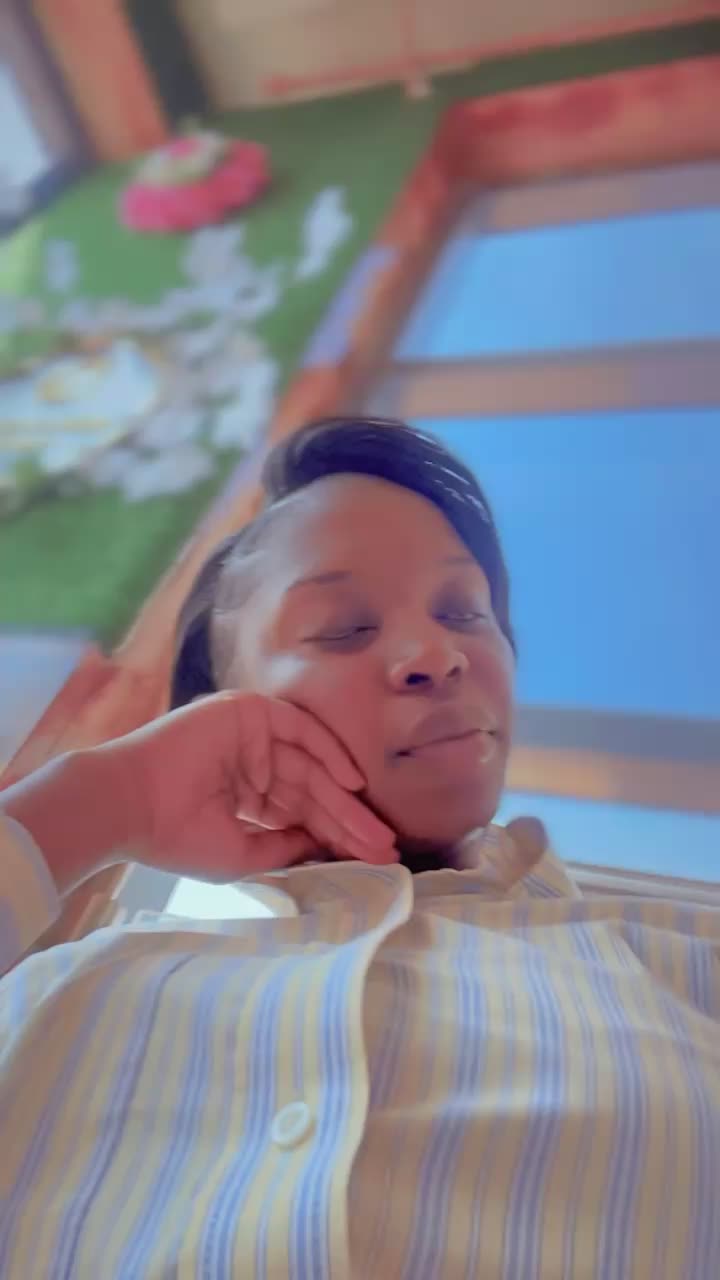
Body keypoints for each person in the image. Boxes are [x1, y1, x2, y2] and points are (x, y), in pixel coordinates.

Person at [0, 418, 718, 1279]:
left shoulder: (687, 962)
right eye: (341, 628)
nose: (437, 654)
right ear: (224, 711)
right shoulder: (66, 991)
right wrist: (106, 799)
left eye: (464, 611)